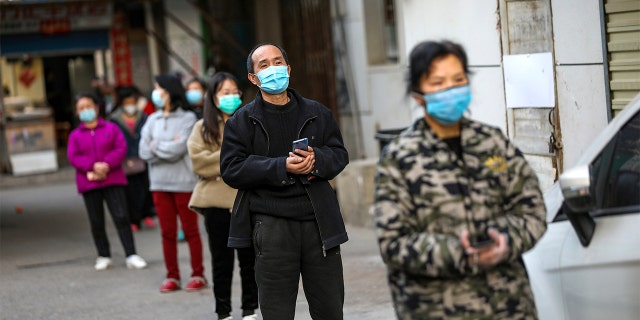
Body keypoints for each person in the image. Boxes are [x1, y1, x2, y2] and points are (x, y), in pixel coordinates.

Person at [373, 40, 547, 319]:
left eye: (458, 80)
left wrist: (505, 240)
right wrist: (458, 252)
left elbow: (532, 211)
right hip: (437, 308)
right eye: (438, 82)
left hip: (508, 305)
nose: (450, 90)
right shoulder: (400, 157)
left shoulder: (492, 143)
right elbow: (392, 242)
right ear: (418, 94)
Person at [220, 43, 349, 319]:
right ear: (254, 78)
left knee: (330, 309)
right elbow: (231, 169)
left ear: (288, 69)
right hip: (271, 226)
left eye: (278, 62)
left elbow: (339, 154)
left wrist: (317, 160)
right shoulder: (242, 121)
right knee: (277, 311)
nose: (273, 69)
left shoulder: (318, 113)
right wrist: (280, 166)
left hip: (319, 224)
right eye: (264, 65)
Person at [188, 72, 258, 320]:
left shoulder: (250, 121)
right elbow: (198, 163)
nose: (230, 97)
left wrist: (223, 158)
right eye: (224, 92)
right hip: (215, 203)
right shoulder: (202, 128)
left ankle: (250, 309)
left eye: (234, 92)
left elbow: (260, 157)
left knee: (250, 259)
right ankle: (223, 312)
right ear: (213, 97)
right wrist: (235, 158)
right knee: (221, 261)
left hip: (247, 199)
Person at [139, 74, 207, 293]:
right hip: (159, 183)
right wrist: (166, 146)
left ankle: (198, 274)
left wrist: (156, 146)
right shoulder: (151, 119)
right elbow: (142, 151)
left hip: (183, 183)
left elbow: (180, 149)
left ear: (169, 91)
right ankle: (172, 276)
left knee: (190, 231)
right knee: (167, 232)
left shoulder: (187, 118)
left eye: (159, 88)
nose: (156, 93)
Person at [67, 92, 148, 271]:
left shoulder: (111, 128)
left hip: (113, 178)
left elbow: (121, 147)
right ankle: (103, 255)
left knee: (121, 216)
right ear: (76, 112)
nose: (85, 110)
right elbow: (73, 156)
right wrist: (92, 166)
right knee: (96, 220)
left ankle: (131, 254)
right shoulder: (75, 135)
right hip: (89, 181)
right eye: (81, 108)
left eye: (88, 106)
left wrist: (106, 165)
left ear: (96, 108)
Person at [109, 86, 156, 231]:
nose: (130, 105)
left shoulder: (144, 117)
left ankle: (145, 214)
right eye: (127, 102)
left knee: (145, 188)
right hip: (125, 160)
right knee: (129, 192)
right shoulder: (114, 119)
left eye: (132, 101)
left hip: (143, 157)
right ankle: (133, 220)